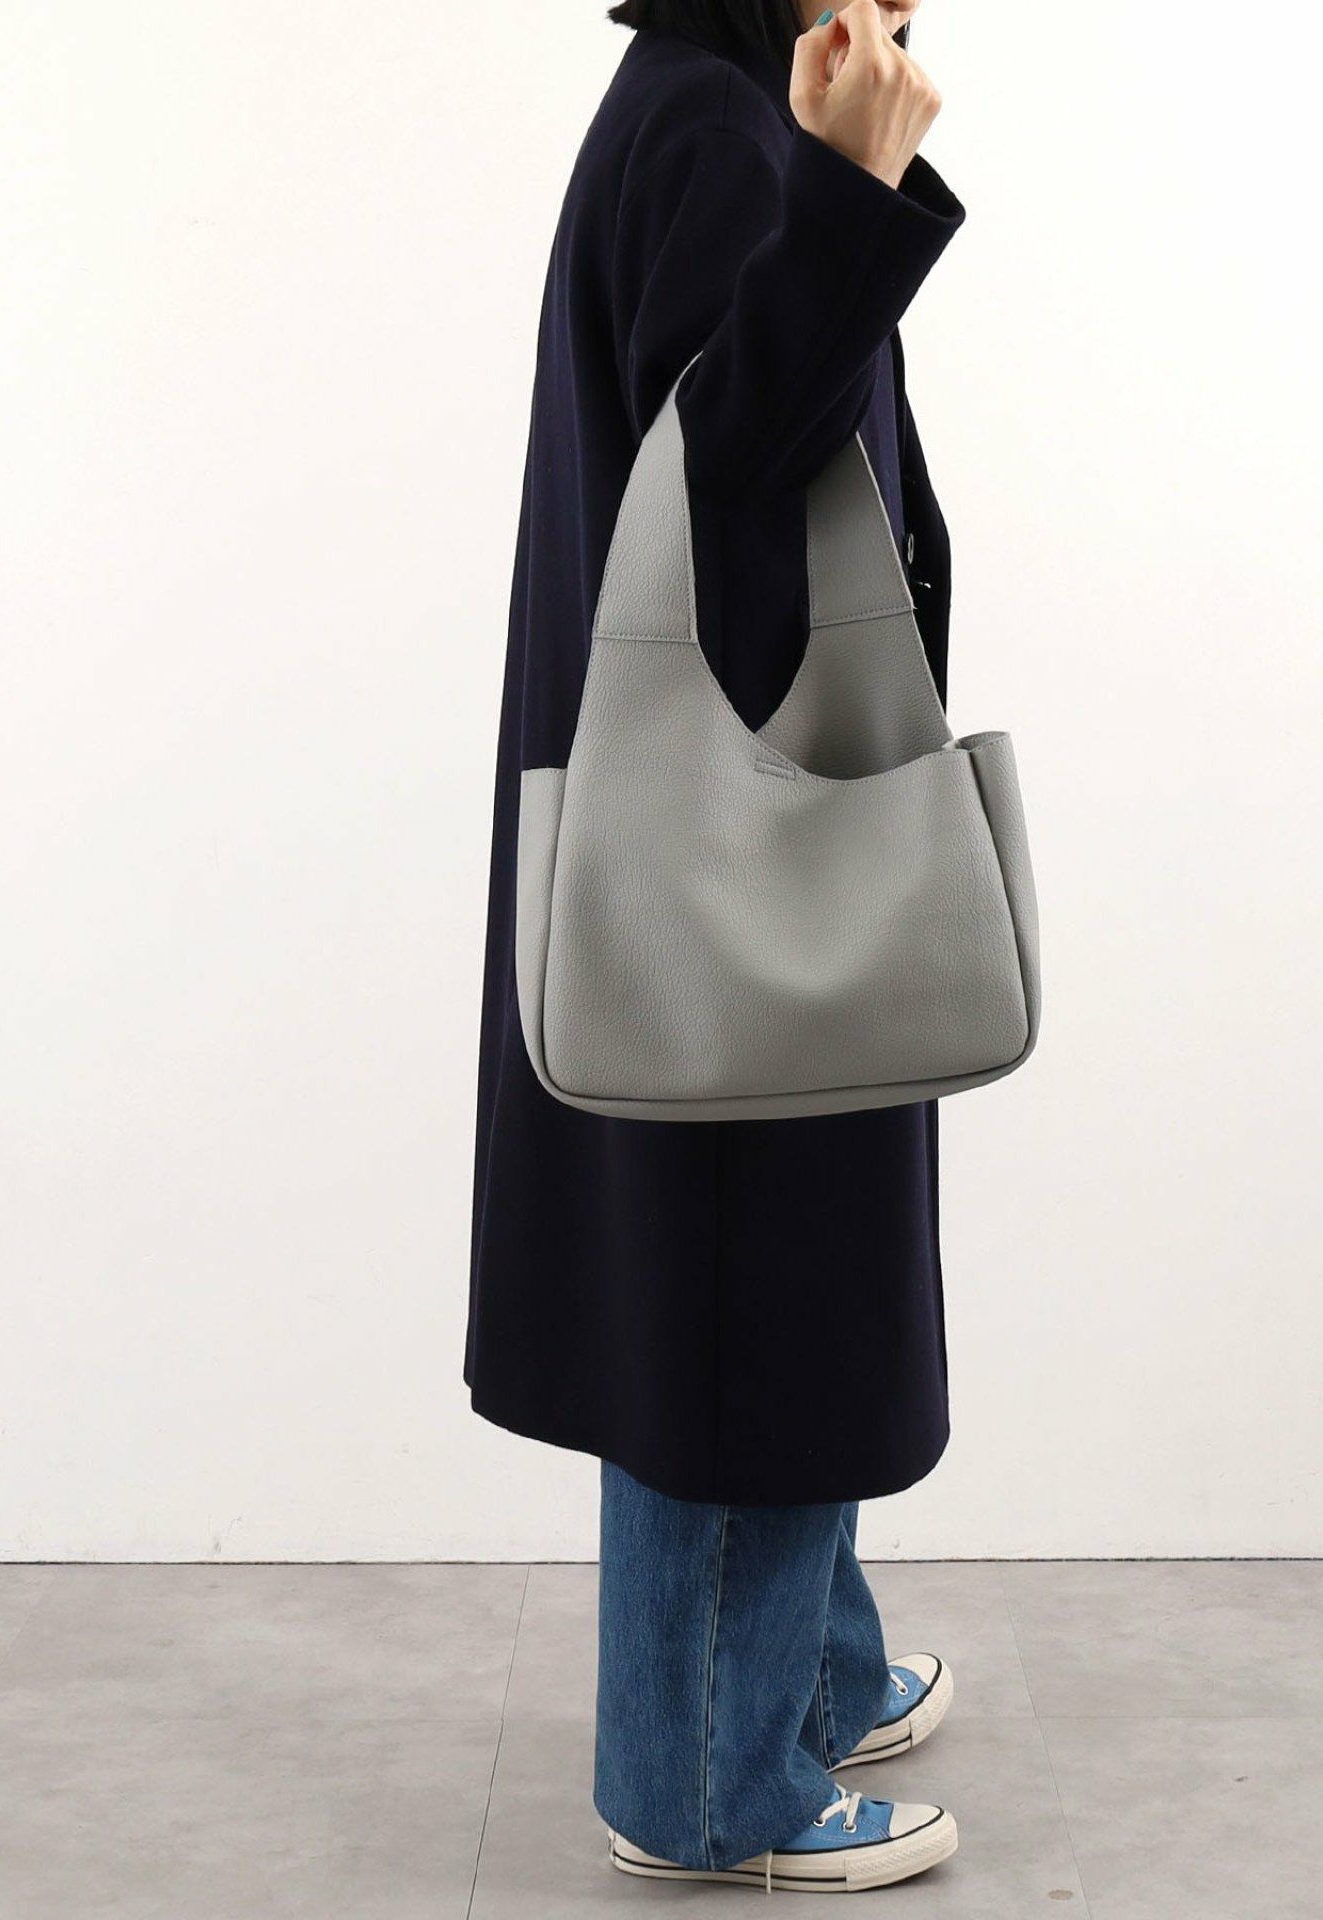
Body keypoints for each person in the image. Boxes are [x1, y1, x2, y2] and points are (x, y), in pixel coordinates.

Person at [467, 0, 967, 1891]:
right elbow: (734, 472)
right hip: (741, 851)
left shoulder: (710, 101)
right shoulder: (712, 134)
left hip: (731, 826)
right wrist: (850, 194)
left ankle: (807, 1673)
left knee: (774, 1269)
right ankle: (703, 1780)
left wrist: (843, 175)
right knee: (749, 1298)